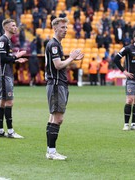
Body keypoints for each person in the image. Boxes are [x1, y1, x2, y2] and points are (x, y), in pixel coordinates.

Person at [45, 17, 84, 160]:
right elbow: (58, 65)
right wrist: (71, 58)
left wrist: (71, 58)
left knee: (53, 117)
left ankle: (50, 150)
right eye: (62, 27)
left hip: (58, 84)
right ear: (55, 28)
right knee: (58, 118)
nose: (65, 30)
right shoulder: (54, 45)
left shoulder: (56, 45)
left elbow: (59, 63)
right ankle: (51, 151)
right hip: (56, 84)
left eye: (66, 27)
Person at [0, 19, 28, 139]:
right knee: (9, 102)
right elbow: (3, 59)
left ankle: (0, 130)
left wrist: (15, 59)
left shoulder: (7, 41)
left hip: (5, 74)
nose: (15, 27)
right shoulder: (3, 40)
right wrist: (16, 56)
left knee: (3, 102)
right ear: (6, 27)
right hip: (4, 75)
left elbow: (6, 58)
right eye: (13, 26)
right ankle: (10, 131)